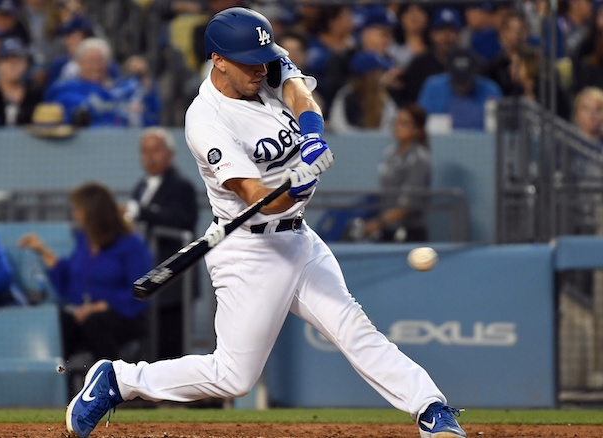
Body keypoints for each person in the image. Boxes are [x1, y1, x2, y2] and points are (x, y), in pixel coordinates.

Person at [65, 8, 466, 438]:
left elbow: (299, 94)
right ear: (217, 60)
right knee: (233, 377)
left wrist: (312, 133)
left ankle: (431, 408)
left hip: (299, 240)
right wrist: (295, 185)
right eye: (247, 60)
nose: (260, 67)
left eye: (263, 56)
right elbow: (257, 198)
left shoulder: (262, 65)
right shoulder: (206, 121)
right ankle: (117, 380)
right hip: (249, 250)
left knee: (353, 327)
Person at [19, 182, 153, 363]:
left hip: (123, 315)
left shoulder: (131, 244)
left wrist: (100, 306)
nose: (75, 215)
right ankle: (61, 381)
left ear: (94, 214)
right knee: (58, 321)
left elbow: (141, 290)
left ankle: (110, 382)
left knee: (95, 323)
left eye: (79, 210)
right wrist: (42, 250)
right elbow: (71, 274)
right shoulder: (84, 238)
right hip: (83, 312)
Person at [125, 127, 198, 359]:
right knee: (149, 342)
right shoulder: (141, 186)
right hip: (146, 274)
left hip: (173, 280)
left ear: (170, 154)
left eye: (155, 151)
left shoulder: (181, 185)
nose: (150, 157)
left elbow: (184, 221)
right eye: (145, 151)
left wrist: (144, 213)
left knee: (171, 342)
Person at [360, 104, 431, 243]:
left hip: (410, 231)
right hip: (387, 229)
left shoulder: (419, 158)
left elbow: (409, 203)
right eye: (396, 122)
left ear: (417, 129)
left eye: (404, 123)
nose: (398, 127)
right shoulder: (389, 154)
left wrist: (379, 222)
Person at [418, 47, 502, 131]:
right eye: (457, 80)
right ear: (449, 73)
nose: (462, 86)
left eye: (466, 80)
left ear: (475, 73)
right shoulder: (433, 87)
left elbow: (498, 127)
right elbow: (420, 122)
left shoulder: (490, 89)